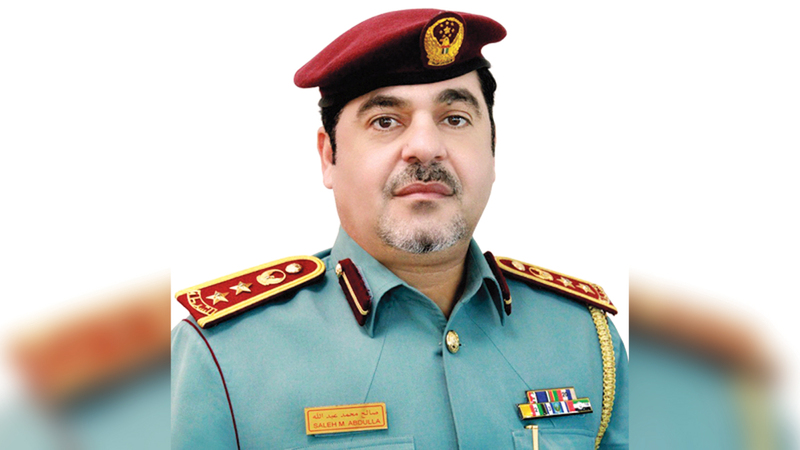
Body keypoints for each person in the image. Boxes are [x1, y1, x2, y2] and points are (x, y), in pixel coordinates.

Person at [171, 8, 628, 449]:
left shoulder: (585, 340)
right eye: (385, 121)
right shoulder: (222, 356)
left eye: (455, 118)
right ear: (328, 156)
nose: (426, 147)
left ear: (493, 149)